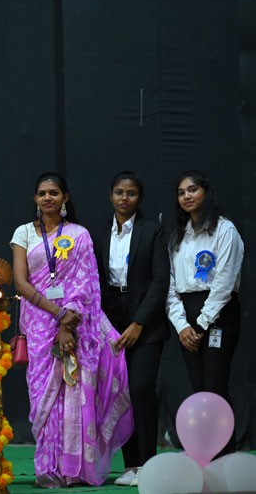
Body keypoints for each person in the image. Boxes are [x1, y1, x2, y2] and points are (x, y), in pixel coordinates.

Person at [10, 172, 133, 488]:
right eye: (41, 193)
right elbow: (21, 282)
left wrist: (69, 323)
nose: (47, 198)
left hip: (76, 324)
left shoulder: (80, 235)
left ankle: (74, 469)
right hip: (39, 323)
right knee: (43, 398)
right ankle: (49, 468)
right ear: (35, 199)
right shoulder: (24, 233)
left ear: (65, 198)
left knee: (75, 392)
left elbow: (86, 283)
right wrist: (57, 313)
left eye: (54, 192)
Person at [93, 171, 169, 486]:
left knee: (140, 389)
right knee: (118, 392)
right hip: (110, 321)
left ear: (140, 198)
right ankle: (131, 465)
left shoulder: (153, 231)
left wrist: (139, 323)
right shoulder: (97, 233)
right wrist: (103, 324)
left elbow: (160, 279)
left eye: (132, 193)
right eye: (119, 192)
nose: (125, 198)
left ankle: (148, 465)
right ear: (110, 195)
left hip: (146, 323)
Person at [165, 170, 243, 455]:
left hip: (218, 313)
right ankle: (205, 456)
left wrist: (201, 324)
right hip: (187, 316)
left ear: (206, 193)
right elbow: (170, 285)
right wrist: (181, 325)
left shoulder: (225, 230)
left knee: (215, 386)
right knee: (198, 387)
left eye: (193, 189)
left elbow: (224, 282)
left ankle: (225, 457)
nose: (187, 195)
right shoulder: (177, 236)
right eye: (181, 192)